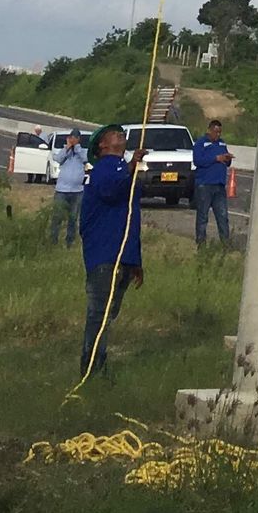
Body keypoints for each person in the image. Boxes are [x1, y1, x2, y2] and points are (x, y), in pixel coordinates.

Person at [77, 124, 144, 377]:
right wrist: (130, 166)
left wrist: (135, 260)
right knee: (99, 316)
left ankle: (98, 366)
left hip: (122, 256)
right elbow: (109, 190)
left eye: (120, 132)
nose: (120, 135)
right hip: (104, 256)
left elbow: (130, 219)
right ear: (102, 146)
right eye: (113, 133)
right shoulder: (102, 170)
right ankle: (91, 370)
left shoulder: (124, 171)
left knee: (107, 317)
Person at [191, 118, 233, 248]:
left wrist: (227, 159)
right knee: (203, 216)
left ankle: (225, 244)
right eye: (216, 132)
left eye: (220, 132)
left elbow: (227, 163)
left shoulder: (221, 144)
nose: (218, 135)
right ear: (209, 130)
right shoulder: (200, 144)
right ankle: (201, 244)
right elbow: (198, 161)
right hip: (205, 184)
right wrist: (215, 158)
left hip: (219, 185)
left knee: (222, 216)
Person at [50, 129, 87, 247]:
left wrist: (77, 147)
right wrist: (67, 148)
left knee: (73, 218)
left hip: (77, 191)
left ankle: (69, 242)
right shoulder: (64, 150)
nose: (73, 139)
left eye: (75, 137)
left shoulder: (82, 151)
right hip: (62, 190)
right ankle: (53, 241)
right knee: (57, 217)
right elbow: (58, 159)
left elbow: (86, 158)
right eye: (71, 137)